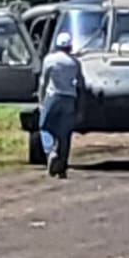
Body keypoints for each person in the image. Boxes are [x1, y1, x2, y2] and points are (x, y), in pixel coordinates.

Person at [39, 31, 85, 179]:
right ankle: (63, 165)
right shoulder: (75, 63)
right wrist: (80, 106)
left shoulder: (50, 60)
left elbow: (43, 81)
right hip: (70, 99)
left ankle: (50, 152)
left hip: (53, 96)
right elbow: (81, 85)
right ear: (70, 47)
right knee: (65, 133)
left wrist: (41, 100)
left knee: (45, 126)